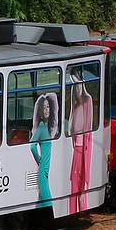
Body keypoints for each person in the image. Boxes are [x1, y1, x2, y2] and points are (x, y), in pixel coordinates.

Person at [66, 77, 96, 214]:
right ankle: (73, 211)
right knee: (74, 181)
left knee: (81, 179)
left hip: (82, 149)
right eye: (75, 87)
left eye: (79, 86)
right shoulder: (76, 106)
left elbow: (88, 128)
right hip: (75, 150)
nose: (77, 90)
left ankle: (82, 208)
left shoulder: (87, 102)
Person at [30, 90, 60, 209]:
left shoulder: (49, 128)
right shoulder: (42, 127)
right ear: (41, 111)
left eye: (48, 106)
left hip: (46, 171)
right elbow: (32, 146)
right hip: (43, 171)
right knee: (48, 201)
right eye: (44, 107)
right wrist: (40, 161)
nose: (46, 109)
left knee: (41, 202)